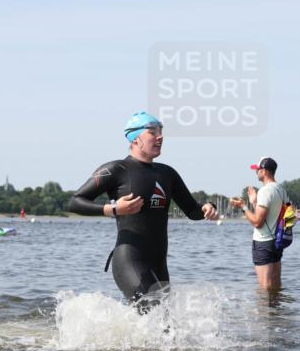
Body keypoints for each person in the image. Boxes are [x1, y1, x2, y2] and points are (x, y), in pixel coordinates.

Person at [68, 111, 219, 310]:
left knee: (162, 322)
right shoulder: (116, 169)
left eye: (161, 131)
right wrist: (114, 209)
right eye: (152, 131)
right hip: (129, 259)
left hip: (159, 263)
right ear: (135, 138)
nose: (160, 136)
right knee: (154, 316)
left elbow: (192, 211)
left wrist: (208, 208)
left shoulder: (167, 173)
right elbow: (74, 202)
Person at [230, 157, 287, 291]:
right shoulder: (281, 189)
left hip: (263, 243)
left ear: (265, 171)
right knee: (276, 284)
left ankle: (263, 312)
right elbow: (271, 215)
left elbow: (258, 222)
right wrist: (254, 202)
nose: (256, 172)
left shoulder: (265, 191)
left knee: (264, 286)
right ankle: (276, 311)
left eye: (258, 169)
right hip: (277, 241)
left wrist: (244, 207)